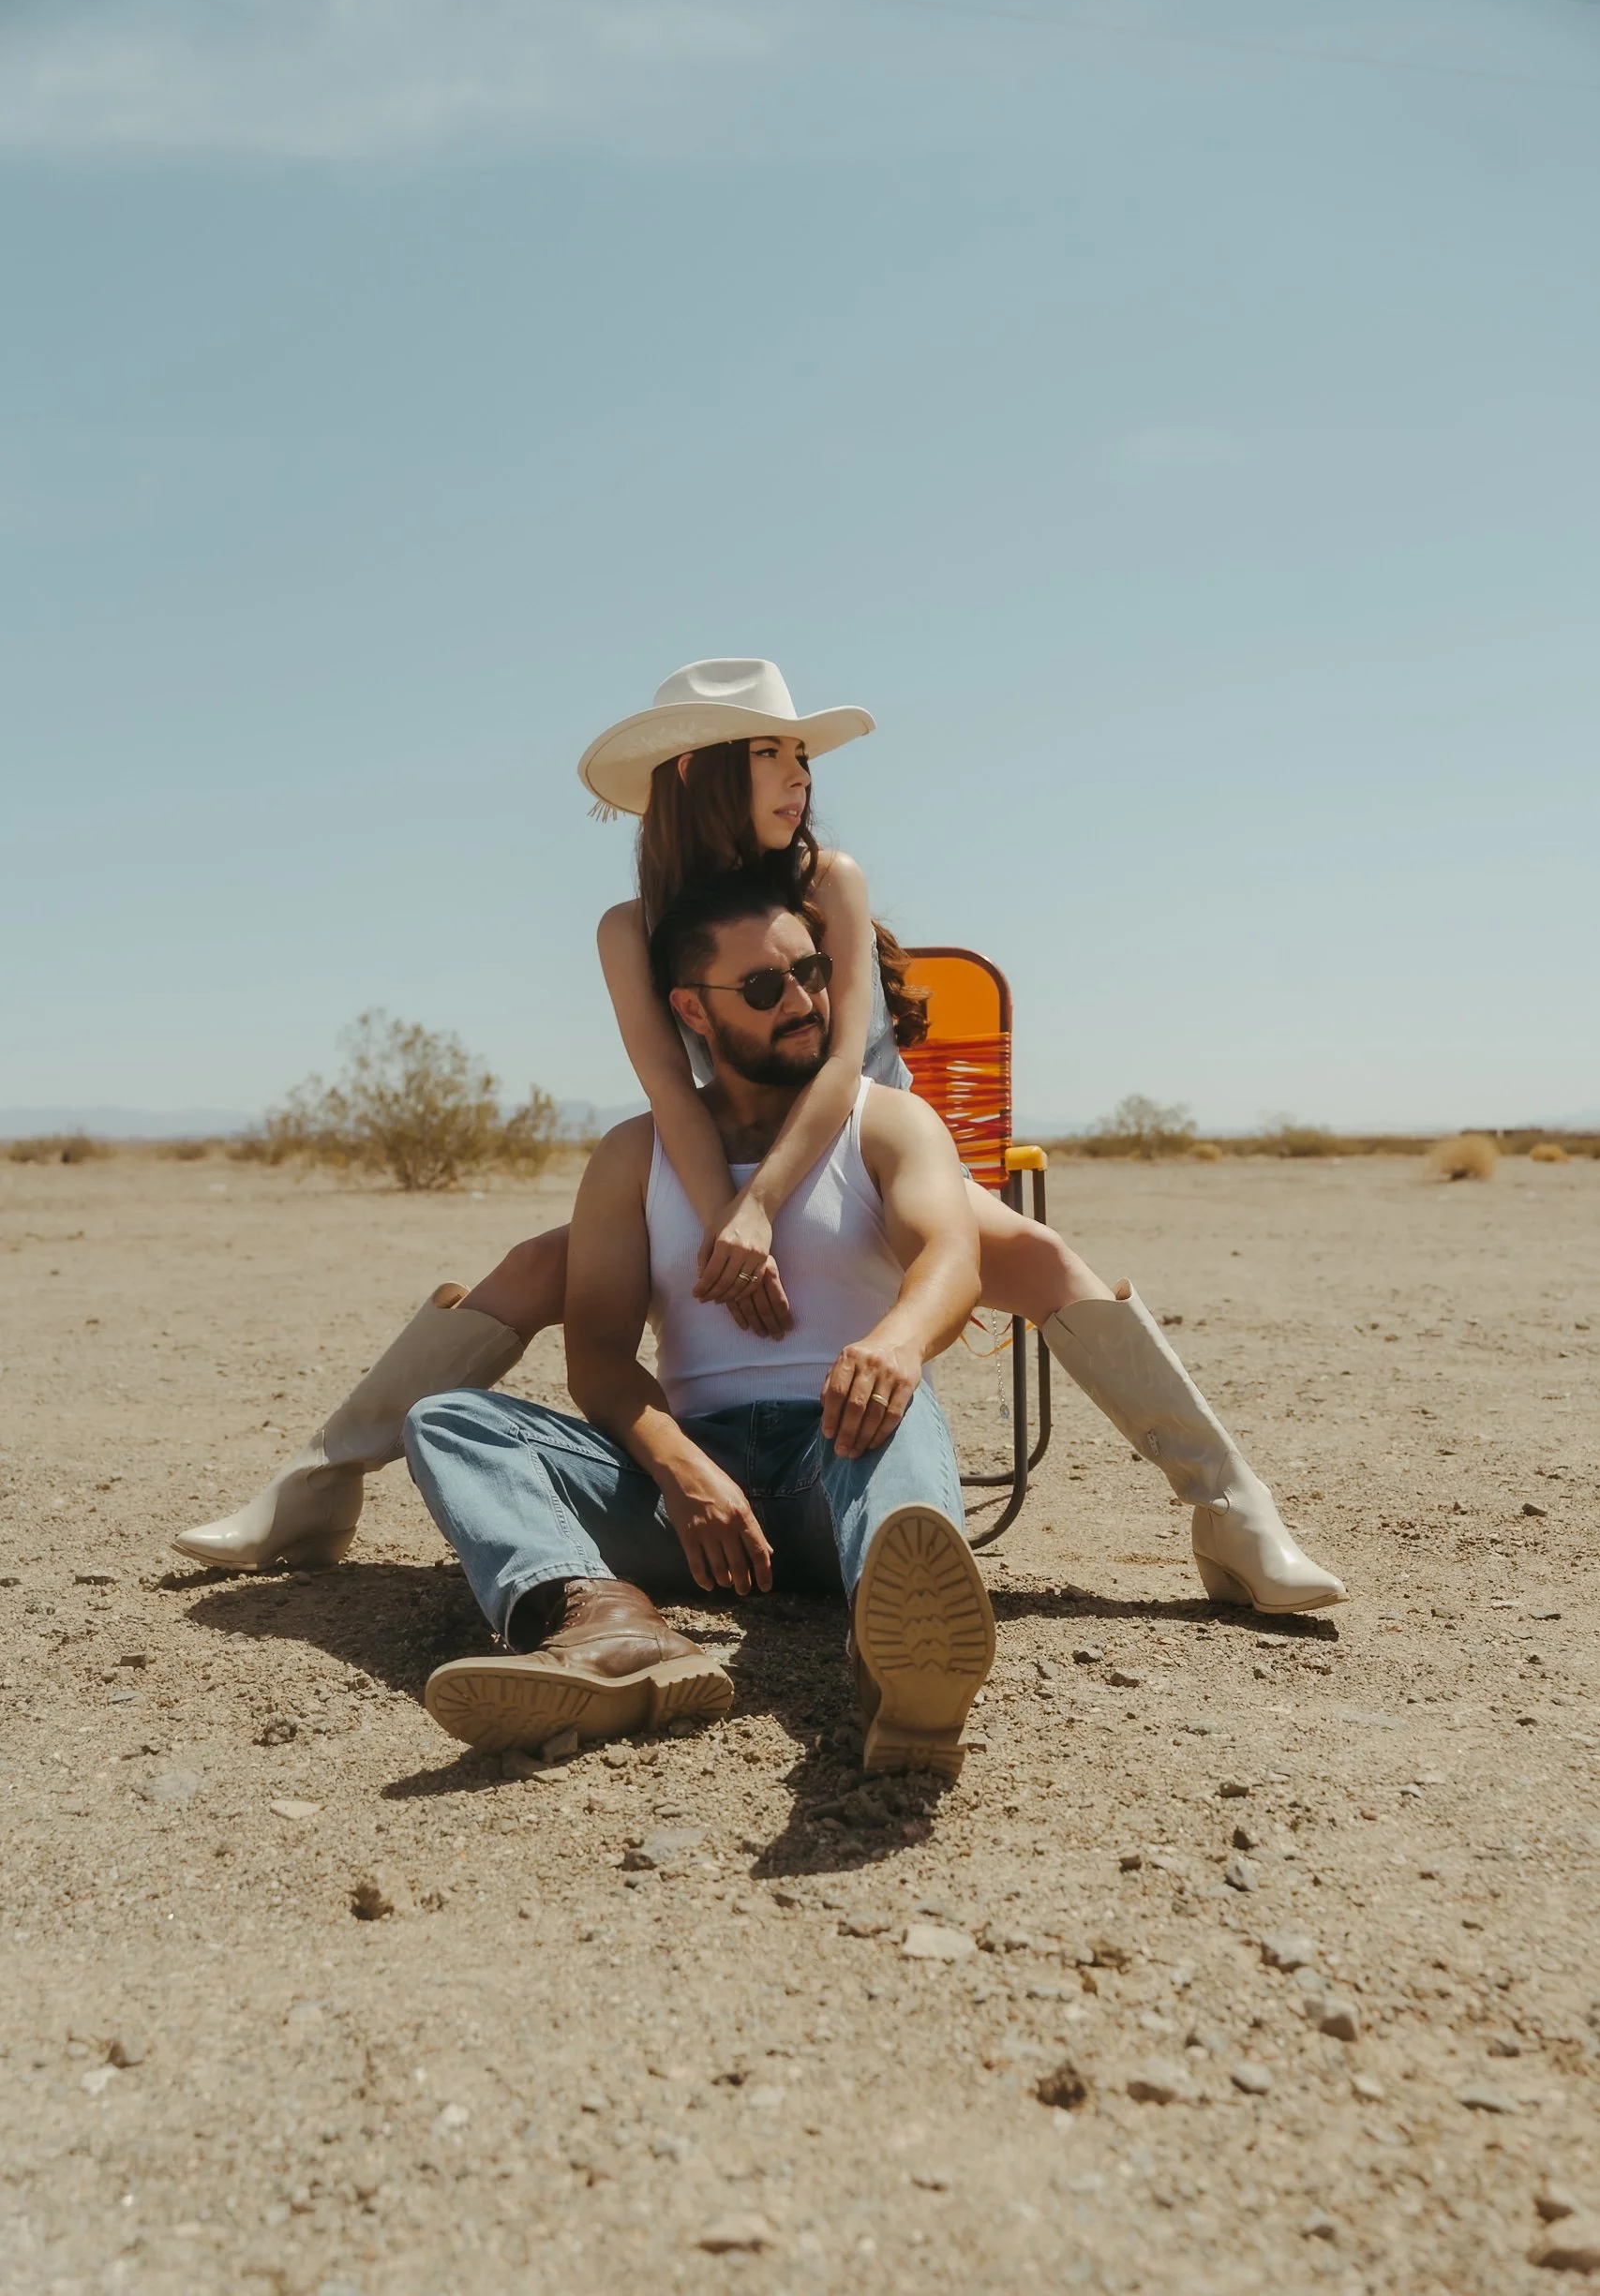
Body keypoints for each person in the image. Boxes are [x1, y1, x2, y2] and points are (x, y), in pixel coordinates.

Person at [173, 658, 1344, 1614]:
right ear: (701, 773)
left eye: (800, 754)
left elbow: (843, 1063)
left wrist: (762, 1208)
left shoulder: (830, 875)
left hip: (851, 1129)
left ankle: (1231, 1512)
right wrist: (725, 1220)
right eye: (774, 752)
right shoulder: (632, 927)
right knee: (543, 1268)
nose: (801, 775)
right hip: (714, 1136)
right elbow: (670, 1092)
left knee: (1037, 1257)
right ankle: (322, 1483)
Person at [408, 869, 995, 1778]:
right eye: (765, 989)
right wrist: (679, 1466)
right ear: (691, 1007)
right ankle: (606, 1624)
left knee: (898, 1402)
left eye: (811, 972)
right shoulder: (633, 1156)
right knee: (447, 1420)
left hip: (838, 1458)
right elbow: (599, 1354)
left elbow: (951, 1257)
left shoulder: (889, 1124)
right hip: (683, 1501)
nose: (803, 1001)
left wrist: (897, 1338)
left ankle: (904, 1665)